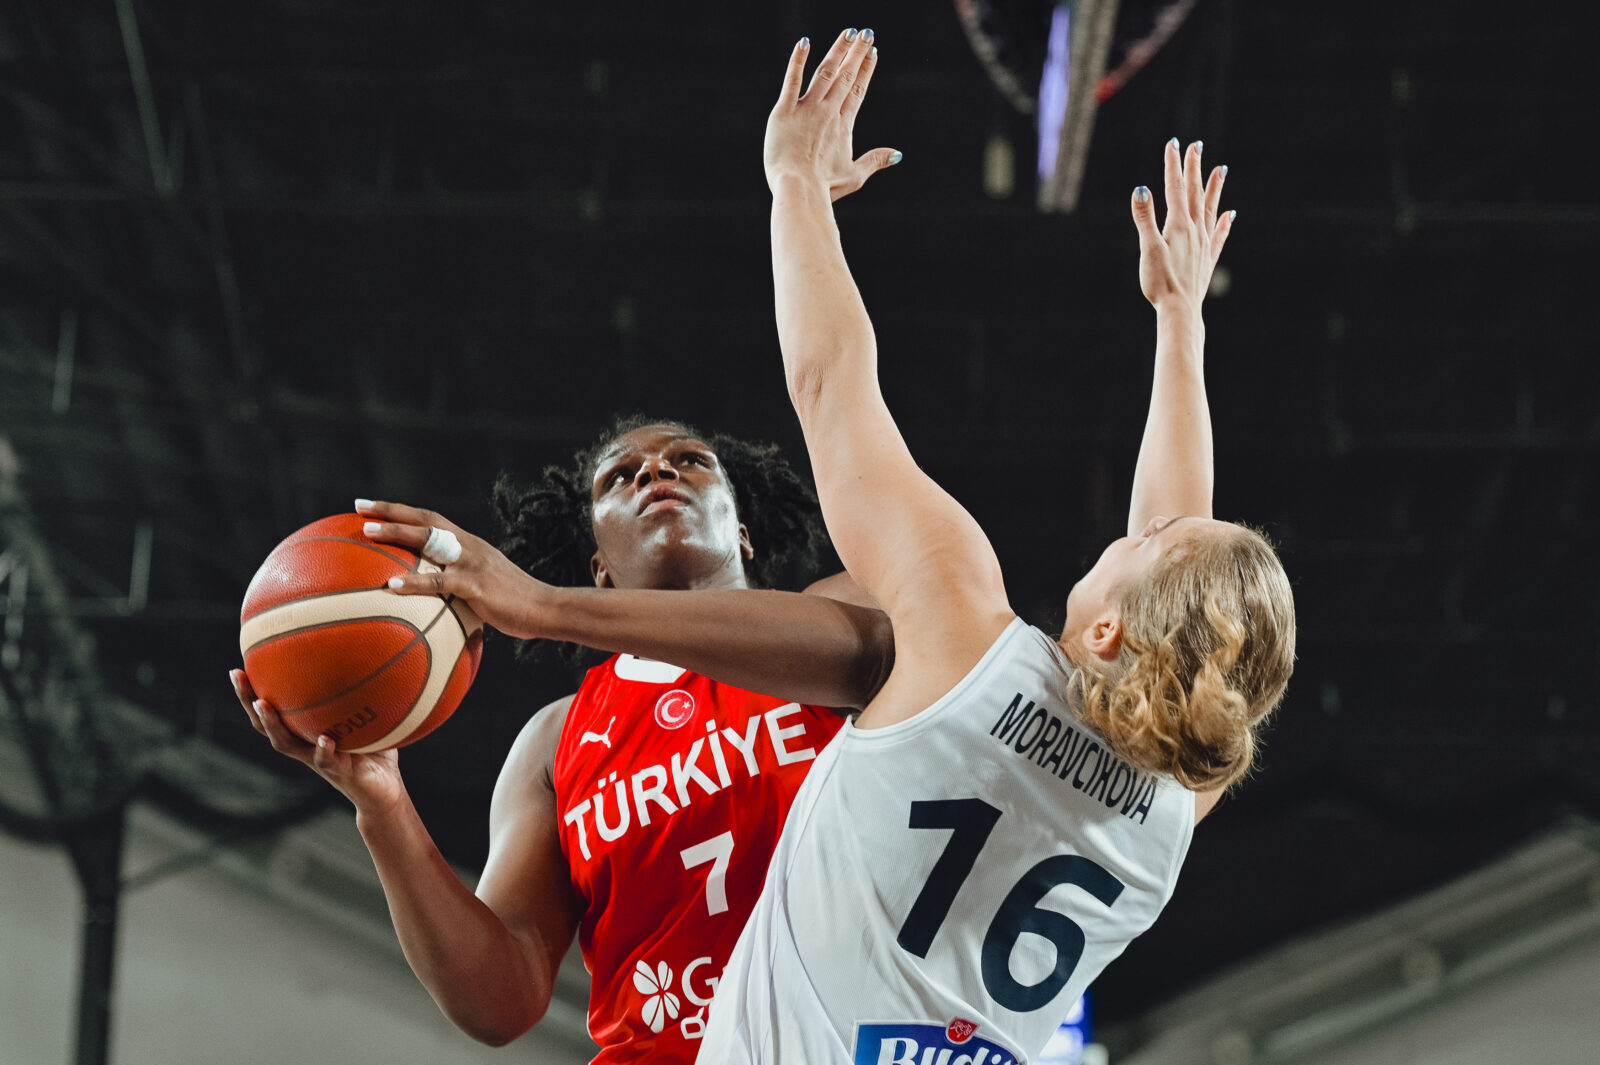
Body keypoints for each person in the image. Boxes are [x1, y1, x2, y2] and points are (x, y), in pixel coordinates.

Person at [679, 29, 1297, 1064]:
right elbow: (1177, 585)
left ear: (1107, 624)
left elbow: (834, 388)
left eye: (1145, 539)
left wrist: (793, 183)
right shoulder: (1164, 820)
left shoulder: (965, 644)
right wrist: (1177, 324)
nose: (1136, 527)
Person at [229, 414, 894, 1062]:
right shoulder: (556, 739)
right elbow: (500, 1001)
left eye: (691, 460)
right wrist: (383, 808)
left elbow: (870, 652)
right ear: (600, 567)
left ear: (743, 533)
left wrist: (542, 605)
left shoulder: (849, 612)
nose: (657, 469)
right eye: (620, 476)